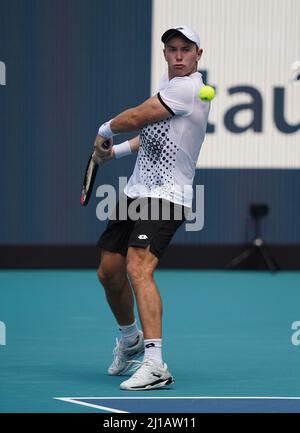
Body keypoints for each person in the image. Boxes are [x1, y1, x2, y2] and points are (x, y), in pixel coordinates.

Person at [93, 25, 211, 390]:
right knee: (109, 272)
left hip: (167, 195)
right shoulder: (169, 82)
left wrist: (104, 130)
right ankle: (130, 342)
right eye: (172, 49)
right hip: (136, 191)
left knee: (138, 266)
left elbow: (138, 117)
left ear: (198, 54)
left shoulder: (188, 88)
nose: (178, 55)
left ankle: (156, 363)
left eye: (185, 49)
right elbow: (152, 132)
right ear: (165, 53)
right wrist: (116, 153)